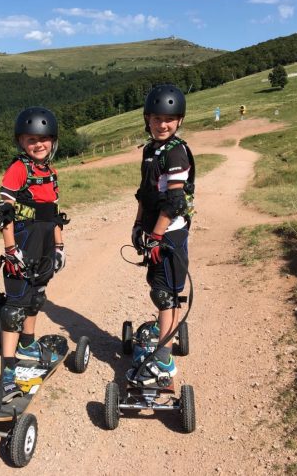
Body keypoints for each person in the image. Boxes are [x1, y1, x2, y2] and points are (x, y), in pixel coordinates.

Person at [0, 106, 68, 403]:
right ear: (21, 142)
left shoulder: (50, 171)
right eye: (31, 139)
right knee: (14, 307)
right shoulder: (18, 168)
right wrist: (10, 250)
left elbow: (55, 213)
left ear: (53, 140)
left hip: (46, 240)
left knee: (37, 296)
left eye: (44, 139)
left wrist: (59, 246)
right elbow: (4, 212)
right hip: (22, 239)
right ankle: (7, 373)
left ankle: (27, 345)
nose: (39, 144)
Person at [128, 84, 195, 386]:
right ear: (148, 120)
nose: (162, 124)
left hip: (169, 234)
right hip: (154, 231)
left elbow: (174, 202)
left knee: (166, 296)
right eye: (156, 119)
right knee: (157, 289)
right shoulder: (150, 151)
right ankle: (161, 335)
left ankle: (164, 363)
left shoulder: (177, 152)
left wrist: (155, 235)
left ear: (179, 120)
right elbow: (145, 193)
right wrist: (138, 224)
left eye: (169, 119)